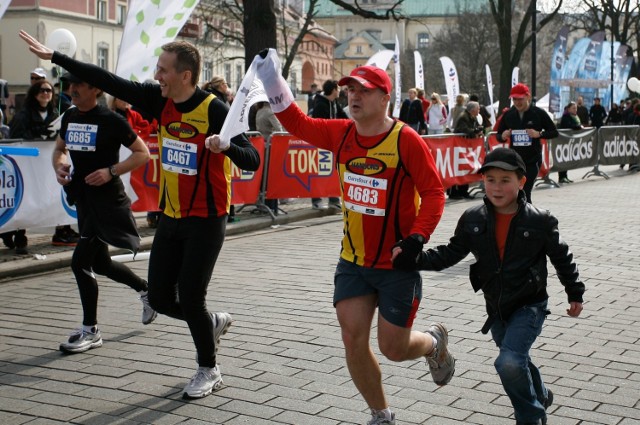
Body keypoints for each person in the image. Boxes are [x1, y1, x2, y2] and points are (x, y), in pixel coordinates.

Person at [20, 30, 260, 398]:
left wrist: (226, 145)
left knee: (192, 297)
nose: (156, 76)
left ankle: (208, 369)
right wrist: (56, 57)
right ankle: (209, 323)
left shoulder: (214, 109)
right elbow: (106, 79)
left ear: (185, 75)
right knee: (161, 299)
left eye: (163, 70)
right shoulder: (155, 99)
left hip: (208, 218)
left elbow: (253, 159)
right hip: (171, 215)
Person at [255, 55, 454, 425]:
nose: (353, 95)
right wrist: (271, 78)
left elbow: (434, 193)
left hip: (397, 263)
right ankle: (381, 414)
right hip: (354, 261)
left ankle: (432, 342)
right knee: (353, 339)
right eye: (350, 89)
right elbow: (296, 122)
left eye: (364, 90)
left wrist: (416, 238)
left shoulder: (405, 140)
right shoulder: (342, 133)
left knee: (393, 348)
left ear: (384, 99)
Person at [414, 148, 585, 425]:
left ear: (521, 182)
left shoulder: (540, 220)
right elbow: (449, 253)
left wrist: (574, 292)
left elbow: (561, 257)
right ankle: (540, 394)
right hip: (496, 308)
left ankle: (531, 417)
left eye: (505, 180)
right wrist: (415, 258)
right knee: (516, 359)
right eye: (490, 179)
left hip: (530, 305)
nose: (496, 186)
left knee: (508, 363)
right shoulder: (472, 218)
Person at [52, 72, 156, 353]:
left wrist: (111, 171)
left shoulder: (111, 119)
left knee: (79, 263)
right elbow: (60, 149)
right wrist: (60, 165)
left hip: (107, 204)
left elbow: (142, 152)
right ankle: (147, 291)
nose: (72, 89)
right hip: (83, 200)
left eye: (78, 84)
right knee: (101, 264)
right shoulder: (70, 116)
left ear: (95, 88)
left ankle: (91, 330)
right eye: (70, 84)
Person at [1, 79, 59, 254]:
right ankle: (19, 236)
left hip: (44, 165)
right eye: (42, 90)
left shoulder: (55, 114)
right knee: (24, 196)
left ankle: (15, 231)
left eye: (49, 90)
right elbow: (17, 136)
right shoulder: (24, 114)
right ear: (35, 93)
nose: (46, 93)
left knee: (38, 197)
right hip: (26, 164)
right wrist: (37, 136)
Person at [496, 83, 558, 203]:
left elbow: (554, 132)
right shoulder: (509, 115)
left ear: (528, 97)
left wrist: (539, 134)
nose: (517, 102)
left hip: (532, 160)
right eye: (514, 99)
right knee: (515, 191)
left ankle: (527, 217)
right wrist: (503, 136)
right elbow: (499, 135)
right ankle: (518, 216)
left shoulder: (538, 113)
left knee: (525, 189)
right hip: (514, 160)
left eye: (520, 99)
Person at [310, 79, 347, 210]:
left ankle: (333, 198)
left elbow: (343, 117)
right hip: (320, 144)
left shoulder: (334, 103)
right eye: (338, 88)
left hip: (333, 144)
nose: (340, 91)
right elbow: (319, 125)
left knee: (333, 172)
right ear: (333, 90)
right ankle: (316, 199)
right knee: (319, 172)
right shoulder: (321, 105)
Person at [450, 101, 484, 199]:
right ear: (472, 110)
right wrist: (474, 132)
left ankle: (464, 191)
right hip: (459, 146)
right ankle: (454, 193)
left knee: (466, 168)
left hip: (466, 146)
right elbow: (463, 129)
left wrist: (478, 131)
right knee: (457, 169)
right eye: (478, 109)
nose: (479, 110)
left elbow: (476, 127)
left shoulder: (473, 117)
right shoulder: (463, 117)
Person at [557, 101, 583, 184]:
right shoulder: (566, 117)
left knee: (567, 160)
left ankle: (565, 176)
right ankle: (561, 177)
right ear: (568, 109)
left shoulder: (575, 117)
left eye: (576, 108)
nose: (575, 110)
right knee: (562, 160)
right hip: (563, 141)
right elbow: (569, 126)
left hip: (570, 142)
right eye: (573, 108)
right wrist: (578, 127)